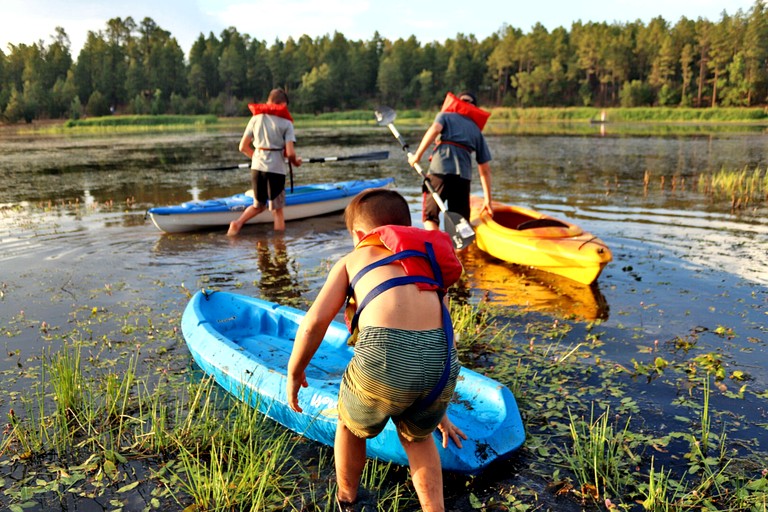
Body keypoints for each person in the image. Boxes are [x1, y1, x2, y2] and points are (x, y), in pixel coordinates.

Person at [286, 188, 468, 512]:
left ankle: (346, 498)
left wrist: (295, 371)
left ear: (360, 235)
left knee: (349, 426)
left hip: (383, 362)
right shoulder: (426, 262)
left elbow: (314, 323)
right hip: (442, 367)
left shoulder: (353, 259)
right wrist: (438, 411)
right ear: (405, 229)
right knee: (417, 438)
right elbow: (441, 337)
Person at [407, 91, 494, 231]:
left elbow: (435, 129)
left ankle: (435, 249)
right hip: (462, 178)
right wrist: (487, 200)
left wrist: (417, 155)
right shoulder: (476, 130)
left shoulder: (445, 116)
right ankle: (458, 252)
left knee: (430, 217)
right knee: (462, 226)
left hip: (439, 172)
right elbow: (485, 169)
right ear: (474, 107)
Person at [227, 88, 302, 235]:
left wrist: (257, 158)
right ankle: (280, 245)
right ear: (282, 104)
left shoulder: (255, 119)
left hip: (257, 167)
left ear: (269, 101)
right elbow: (291, 153)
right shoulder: (286, 123)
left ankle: (237, 224)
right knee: (277, 210)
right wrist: (296, 162)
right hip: (276, 170)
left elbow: (243, 147)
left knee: (258, 205)